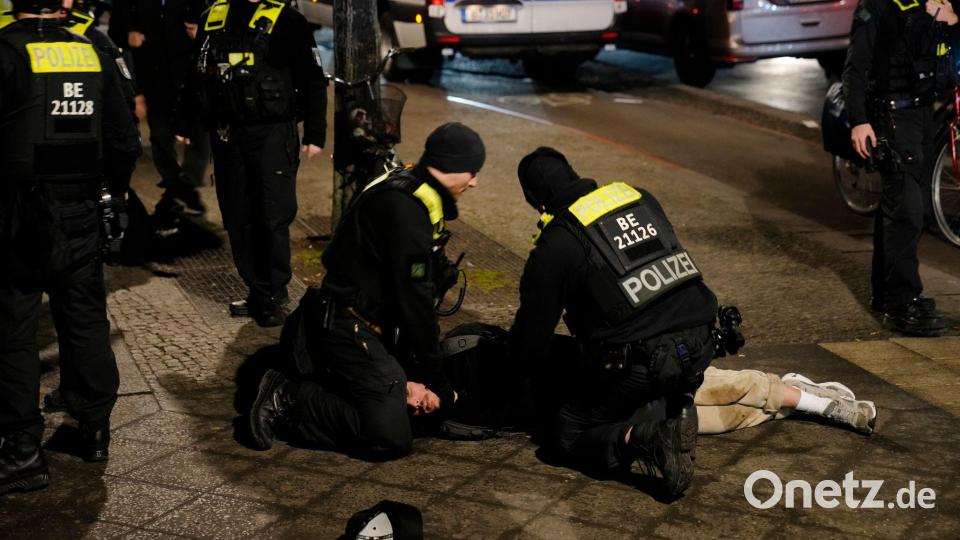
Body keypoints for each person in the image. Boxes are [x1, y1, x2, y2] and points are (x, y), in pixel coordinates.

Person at [248, 122, 485, 460]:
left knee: (407, 407)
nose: (474, 181)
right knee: (390, 436)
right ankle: (289, 399)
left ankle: (364, 388)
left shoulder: (410, 186)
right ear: (450, 166)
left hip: (369, 323)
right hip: (347, 325)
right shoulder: (406, 211)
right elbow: (414, 305)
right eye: (472, 172)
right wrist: (438, 382)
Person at [508, 147, 718, 497]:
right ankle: (677, 402)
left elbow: (530, 341)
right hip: (704, 338)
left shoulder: (557, 242)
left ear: (537, 204)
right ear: (575, 174)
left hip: (643, 362)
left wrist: (511, 378)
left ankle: (648, 438)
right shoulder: (638, 198)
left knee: (566, 432)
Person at [0, 0, 140, 495]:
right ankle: (93, 428)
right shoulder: (91, 51)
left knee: (13, 328)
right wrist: (114, 191)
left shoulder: (6, 51)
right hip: (79, 209)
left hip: (17, 215)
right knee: (83, 316)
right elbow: (124, 137)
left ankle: (22, 450)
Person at [177, 0, 327, 327]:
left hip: (271, 133)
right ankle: (257, 289)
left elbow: (313, 78)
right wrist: (186, 121)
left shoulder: (288, 20)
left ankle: (274, 293)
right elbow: (197, 73)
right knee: (237, 215)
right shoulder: (212, 17)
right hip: (227, 133)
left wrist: (315, 132)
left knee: (271, 215)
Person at [844, 0, 958, 336]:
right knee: (906, 210)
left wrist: (949, 20)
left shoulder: (933, 4)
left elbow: (942, 53)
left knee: (904, 207)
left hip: (923, 115)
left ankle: (888, 294)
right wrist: (859, 120)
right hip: (892, 117)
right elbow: (855, 67)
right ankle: (901, 302)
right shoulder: (877, 7)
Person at [113, 0, 210, 221]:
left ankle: (183, 187)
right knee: (160, 138)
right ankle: (179, 188)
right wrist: (128, 35)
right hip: (154, 79)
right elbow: (115, 34)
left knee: (201, 134)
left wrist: (199, 35)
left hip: (190, 77)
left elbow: (212, 25)